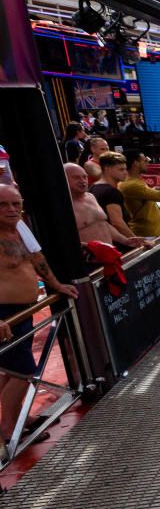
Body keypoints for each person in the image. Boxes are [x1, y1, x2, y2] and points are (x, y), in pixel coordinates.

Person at [0, 185, 79, 460]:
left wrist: (56, 284)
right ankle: (10, 430)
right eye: (3, 205)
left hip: (24, 308)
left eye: (15, 204)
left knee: (12, 371)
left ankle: (17, 417)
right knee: (22, 373)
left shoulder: (19, 227)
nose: (11, 210)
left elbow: (37, 259)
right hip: (5, 315)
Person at [64, 164, 149, 250]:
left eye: (84, 177)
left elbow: (103, 224)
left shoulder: (90, 197)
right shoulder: (62, 207)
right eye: (76, 177)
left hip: (110, 255)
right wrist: (89, 248)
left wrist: (125, 240)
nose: (82, 181)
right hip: (87, 260)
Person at [119, 150, 160, 238]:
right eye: (145, 161)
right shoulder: (132, 184)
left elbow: (149, 207)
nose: (148, 163)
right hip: (147, 235)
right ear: (135, 163)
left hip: (153, 231)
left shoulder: (135, 181)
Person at [89, 152, 140, 241]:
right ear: (107, 169)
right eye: (121, 169)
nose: (125, 173)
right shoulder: (112, 192)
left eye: (125, 169)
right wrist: (135, 240)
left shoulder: (93, 187)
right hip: (117, 242)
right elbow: (117, 222)